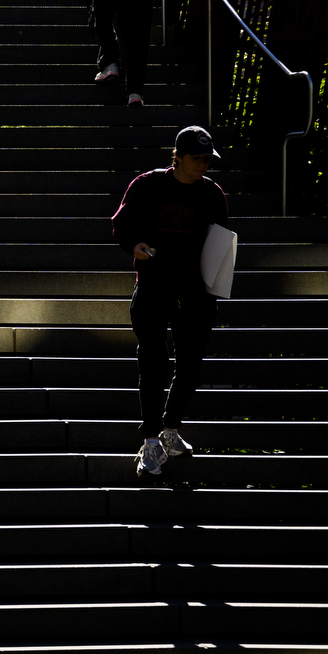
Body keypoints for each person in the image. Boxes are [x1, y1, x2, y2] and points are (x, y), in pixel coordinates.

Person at [111, 125, 229, 477]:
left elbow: (221, 242)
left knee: (190, 364)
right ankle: (150, 440)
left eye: (208, 159)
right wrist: (133, 245)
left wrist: (216, 281)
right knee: (153, 363)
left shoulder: (212, 194)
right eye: (196, 158)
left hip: (196, 293)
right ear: (177, 156)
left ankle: (170, 428)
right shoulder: (147, 185)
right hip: (154, 287)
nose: (203, 165)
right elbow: (122, 224)